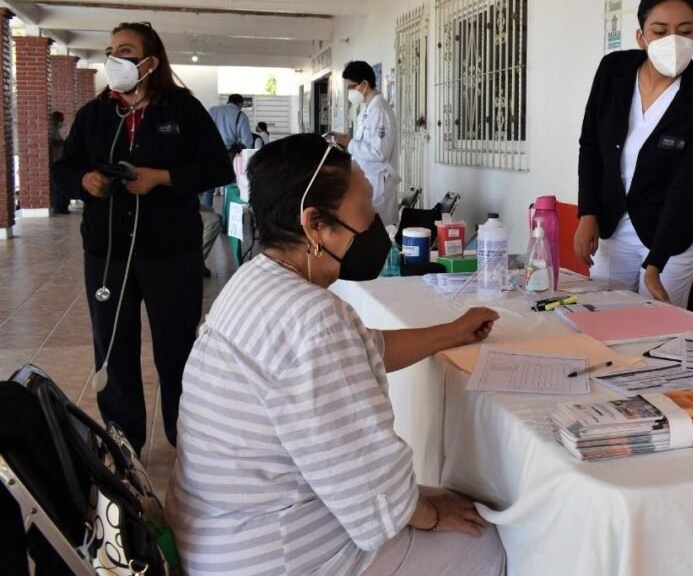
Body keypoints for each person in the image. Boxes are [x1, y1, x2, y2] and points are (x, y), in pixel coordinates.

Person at [167, 133, 506, 576]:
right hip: (271, 555)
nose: (373, 227)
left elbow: (365, 350)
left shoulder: (255, 280)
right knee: (490, 547)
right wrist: (430, 513)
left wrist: (451, 332)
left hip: (217, 532)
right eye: (364, 211)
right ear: (313, 225)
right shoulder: (313, 319)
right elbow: (371, 487)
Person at [52, 22, 234, 455]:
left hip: (171, 253)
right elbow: (63, 171)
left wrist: (163, 178)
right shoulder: (95, 115)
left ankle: (186, 439)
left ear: (151, 61)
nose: (116, 58)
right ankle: (122, 444)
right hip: (107, 251)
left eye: (126, 51)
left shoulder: (183, 111)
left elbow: (217, 168)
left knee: (177, 349)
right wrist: (86, 181)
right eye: (111, 50)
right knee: (113, 347)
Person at [575, 0, 693, 309]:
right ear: (641, 37)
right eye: (660, 31)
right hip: (615, 224)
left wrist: (656, 263)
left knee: (658, 326)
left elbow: (688, 185)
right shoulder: (612, 72)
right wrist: (587, 212)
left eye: (685, 31)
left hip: (673, 234)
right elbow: (590, 146)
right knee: (604, 317)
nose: (673, 41)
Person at [331, 60, 401, 227]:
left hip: (379, 182)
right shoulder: (367, 109)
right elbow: (366, 144)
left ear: (364, 84)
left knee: (382, 230)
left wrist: (350, 143)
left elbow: (379, 152)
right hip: (368, 179)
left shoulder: (380, 111)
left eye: (351, 87)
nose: (350, 92)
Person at [202, 93, 252, 207]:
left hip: (210, 152)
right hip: (228, 154)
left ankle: (206, 218)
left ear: (228, 101)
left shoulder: (213, 110)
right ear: (240, 104)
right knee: (230, 187)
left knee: (208, 186)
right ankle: (227, 220)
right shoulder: (241, 115)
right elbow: (247, 141)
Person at [48, 110, 71, 214]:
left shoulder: (56, 130)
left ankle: (63, 206)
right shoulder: (52, 130)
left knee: (61, 186)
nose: (62, 122)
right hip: (55, 161)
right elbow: (55, 143)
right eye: (61, 120)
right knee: (58, 187)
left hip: (60, 161)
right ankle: (59, 207)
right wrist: (65, 142)